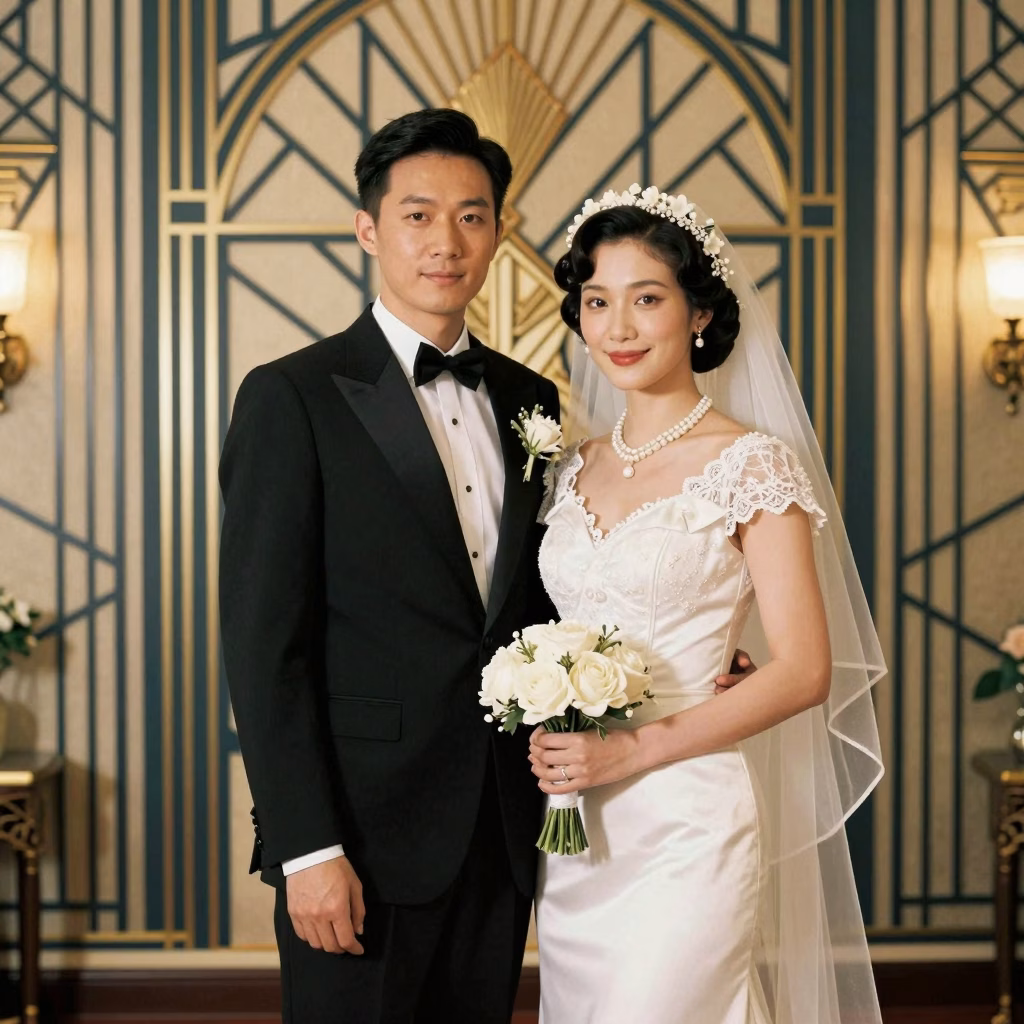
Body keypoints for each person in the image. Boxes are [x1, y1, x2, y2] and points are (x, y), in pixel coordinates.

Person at [218, 108, 562, 1024]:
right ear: (369, 228)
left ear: (498, 232)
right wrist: (305, 849)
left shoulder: (535, 401)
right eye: (418, 214)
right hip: (358, 841)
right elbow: (263, 648)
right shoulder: (291, 397)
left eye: (472, 215)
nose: (445, 241)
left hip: (501, 823)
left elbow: (558, 591)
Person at [529, 186, 886, 1024]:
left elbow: (803, 669)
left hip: (687, 820)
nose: (617, 327)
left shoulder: (752, 464)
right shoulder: (568, 467)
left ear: (698, 314)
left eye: (647, 299)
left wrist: (634, 752)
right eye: (597, 301)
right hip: (577, 822)